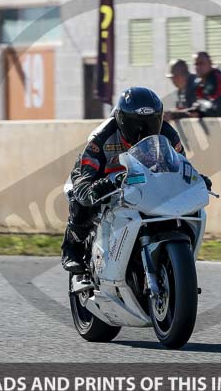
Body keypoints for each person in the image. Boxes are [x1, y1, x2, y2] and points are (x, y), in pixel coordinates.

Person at [60, 86, 212, 273]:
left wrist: (195, 178)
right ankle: (71, 249)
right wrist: (91, 188)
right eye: (136, 124)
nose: (143, 131)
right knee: (82, 201)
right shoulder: (102, 136)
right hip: (100, 175)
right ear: (121, 119)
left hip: (140, 177)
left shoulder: (168, 134)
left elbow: (180, 164)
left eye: (150, 123)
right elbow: (85, 176)